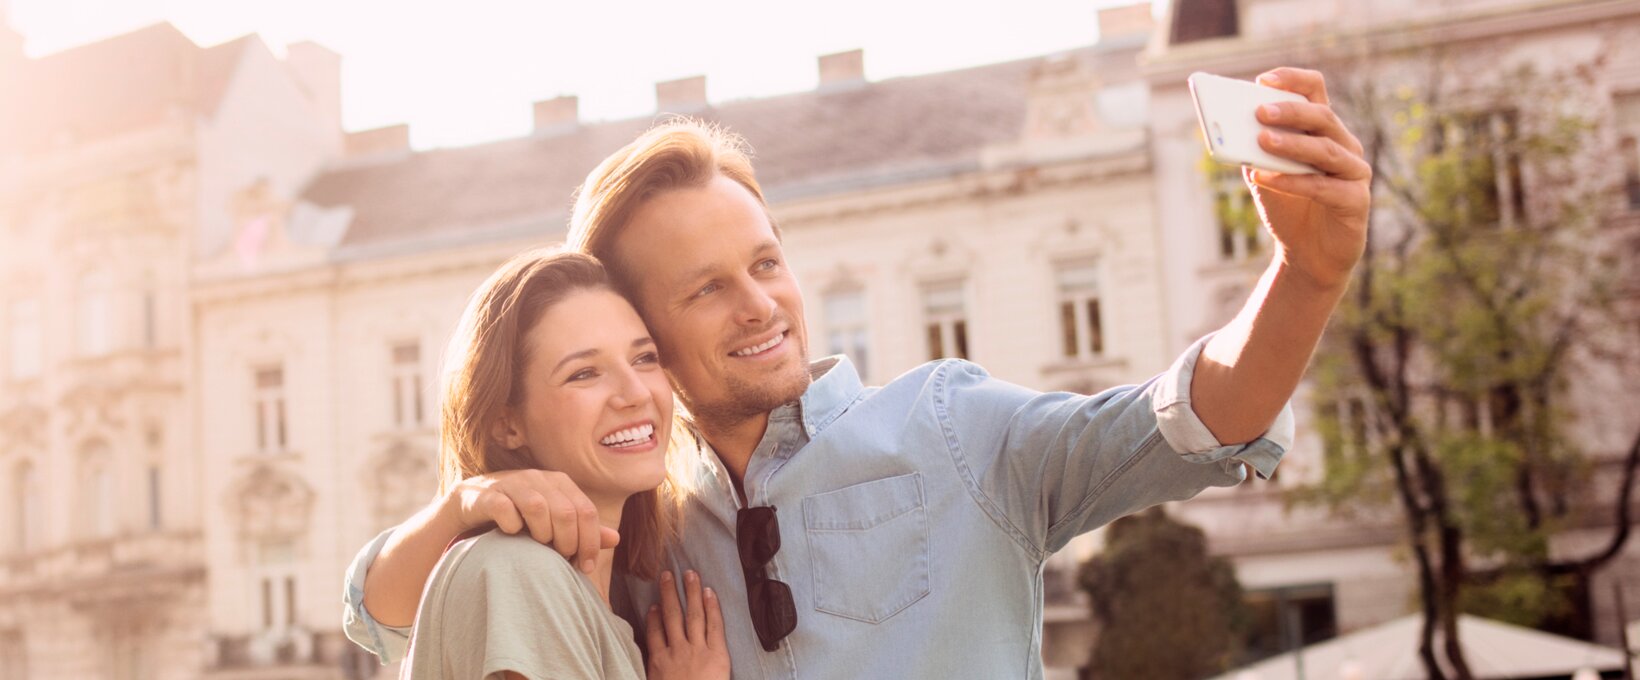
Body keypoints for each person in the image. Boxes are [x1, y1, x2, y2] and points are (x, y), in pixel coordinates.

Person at [345, 68, 1371, 679]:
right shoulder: (639, 530)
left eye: (764, 262)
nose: (758, 303)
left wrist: (1306, 272)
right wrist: (467, 498)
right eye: (702, 290)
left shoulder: (955, 428)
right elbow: (387, 611)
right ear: (642, 328)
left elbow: (1192, 416)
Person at [398, 249, 729, 679]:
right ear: (507, 425)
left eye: (643, 358)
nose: (636, 393)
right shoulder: (519, 576)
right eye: (584, 373)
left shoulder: (577, 591)